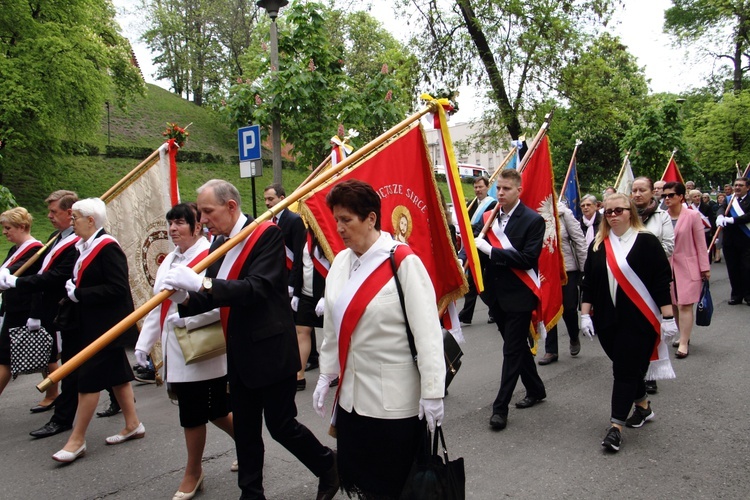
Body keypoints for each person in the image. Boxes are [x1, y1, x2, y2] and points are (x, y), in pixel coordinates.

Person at [163, 180, 337, 500]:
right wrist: (184, 297)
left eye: (207, 211)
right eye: (199, 213)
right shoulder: (218, 244)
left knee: (281, 426)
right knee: (245, 430)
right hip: (239, 352)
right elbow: (212, 299)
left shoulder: (266, 235)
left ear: (231, 207)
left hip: (271, 351)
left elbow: (256, 288)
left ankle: (329, 466)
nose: (202, 220)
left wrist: (202, 284)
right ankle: (251, 493)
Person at [312, 179, 445, 499]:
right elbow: (333, 324)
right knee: (362, 484)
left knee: (393, 486)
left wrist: (432, 391)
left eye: (347, 220)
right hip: (352, 402)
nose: (339, 228)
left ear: (371, 218)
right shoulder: (341, 261)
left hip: (393, 404)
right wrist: (327, 372)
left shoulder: (402, 261)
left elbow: (427, 333)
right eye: (336, 220)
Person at [135, 202, 235, 499]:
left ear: (197, 226)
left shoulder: (211, 255)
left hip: (205, 350)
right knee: (211, 411)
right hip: (176, 350)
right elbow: (158, 305)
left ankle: (193, 472)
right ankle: (249, 443)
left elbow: (223, 304)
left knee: (199, 413)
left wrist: (186, 315)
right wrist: (144, 344)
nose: (173, 229)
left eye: (180, 222)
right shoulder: (171, 260)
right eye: (171, 223)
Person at [580, 194, 676, 453]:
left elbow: (660, 281)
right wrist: (585, 314)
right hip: (607, 320)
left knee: (623, 371)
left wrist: (668, 317)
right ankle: (643, 407)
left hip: (639, 320)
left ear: (630, 212)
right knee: (627, 366)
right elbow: (589, 282)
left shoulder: (646, 241)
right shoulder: (599, 243)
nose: (612, 215)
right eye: (608, 211)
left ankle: (615, 428)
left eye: (618, 210)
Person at [51, 198, 143, 463]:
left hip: (106, 326)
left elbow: (117, 288)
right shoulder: (85, 246)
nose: (72, 222)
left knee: (88, 379)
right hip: (92, 323)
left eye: (76, 217)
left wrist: (80, 293)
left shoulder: (107, 248)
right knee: (117, 375)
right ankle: (133, 423)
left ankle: (77, 439)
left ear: (91, 221)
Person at [473, 169, 546, 431]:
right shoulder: (489, 216)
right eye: (498, 189)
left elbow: (528, 259)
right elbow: (473, 245)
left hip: (519, 296)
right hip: (495, 295)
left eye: (506, 189)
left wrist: (493, 251)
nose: (500, 193)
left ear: (519, 191)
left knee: (511, 350)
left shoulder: (533, 220)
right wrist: (464, 258)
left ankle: (500, 408)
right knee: (515, 348)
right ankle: (536, 389)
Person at [264, 183, 320, 369]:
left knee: (302, 320)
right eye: (265, 200)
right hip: (278, 277)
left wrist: (293, 284)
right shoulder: (270, 222)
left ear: (282, 198)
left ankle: (311, 356)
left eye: (270, 199)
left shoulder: (293, 220)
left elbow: (298, 255)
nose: (267, 203)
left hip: (293, 277)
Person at [631, 177, 674, 394]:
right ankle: (633, 369)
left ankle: (650, 372)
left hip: (652, 280)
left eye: (642, 190)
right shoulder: (624, 215)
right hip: (628, 279)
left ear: (651, 193)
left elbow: (668, 246)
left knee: (650, 326)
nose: (637, 194)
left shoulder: (662, 216)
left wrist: (643, 256)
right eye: (634, 190)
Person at [662, 182, 711, 359]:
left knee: (685, 304)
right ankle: (683, 334)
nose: (667, 198)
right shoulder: (662, 217)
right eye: (665, 195)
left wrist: (705, 268)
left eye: (671, 195)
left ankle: (684, 341)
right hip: (667, 268)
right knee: (673, 304)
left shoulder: (692, 216)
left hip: (688, 266)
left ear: (681, 197)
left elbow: (700, 243)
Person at [0, 208, 44, 400]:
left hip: (24, 310)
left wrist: (34, 314)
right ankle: (52, 393)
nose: (4, 232)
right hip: (12, 308)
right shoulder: (15, 249)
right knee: (45, 356)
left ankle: (53, 393)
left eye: (8, 228)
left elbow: (37, 285)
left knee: (6, 359)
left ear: (22, 227)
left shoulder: (35, 250)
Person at [538, 202, 587, 365]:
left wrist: (584, 269)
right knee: (548, 307)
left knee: (569, 308)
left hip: (567, 269)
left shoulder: (564, 214)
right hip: (545, 272)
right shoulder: (533, 214)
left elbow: (579, 241)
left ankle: (574, 336)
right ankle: (551, 350)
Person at [290, 229, 329, 391]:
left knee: (331, 334)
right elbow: (298, 265)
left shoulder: (328, 235)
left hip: (325, 295)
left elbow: (336, 268)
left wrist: (326, 295)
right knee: (302, 331)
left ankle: (334, 372)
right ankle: (299, 375)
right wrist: (295, 292)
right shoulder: (305, 236)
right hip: (306, 294)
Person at [458, 176, 497, 325]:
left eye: (480, 187)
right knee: (472, 281)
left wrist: (471, 232)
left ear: (487, 187)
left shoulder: (492, 204)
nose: (478, 190)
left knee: (487, 282)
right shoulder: (471, 204)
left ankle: (493, 312)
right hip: (471, 246)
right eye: (475, 187)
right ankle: (466, 315)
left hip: (485, 247)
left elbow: (486, 226)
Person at [717, 177, 750, 305]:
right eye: (736, 185)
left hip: (746, 240)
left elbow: (748, 216)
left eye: (741, 185)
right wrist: (720, 215)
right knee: (733, 268)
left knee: (747, 268)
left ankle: (748, 294)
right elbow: (721, 208)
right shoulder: (729, 199)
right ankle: (736, 295)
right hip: (730, 241)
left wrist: (733, 220)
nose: (737, 187)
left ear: (747, 187)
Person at [714, 193, 727, 263]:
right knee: (719, 239)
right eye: (719, 198)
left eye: (722, 198)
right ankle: (717, 256)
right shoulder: (715, 206)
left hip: (728, 224)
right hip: (719, 225)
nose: (720, 199)